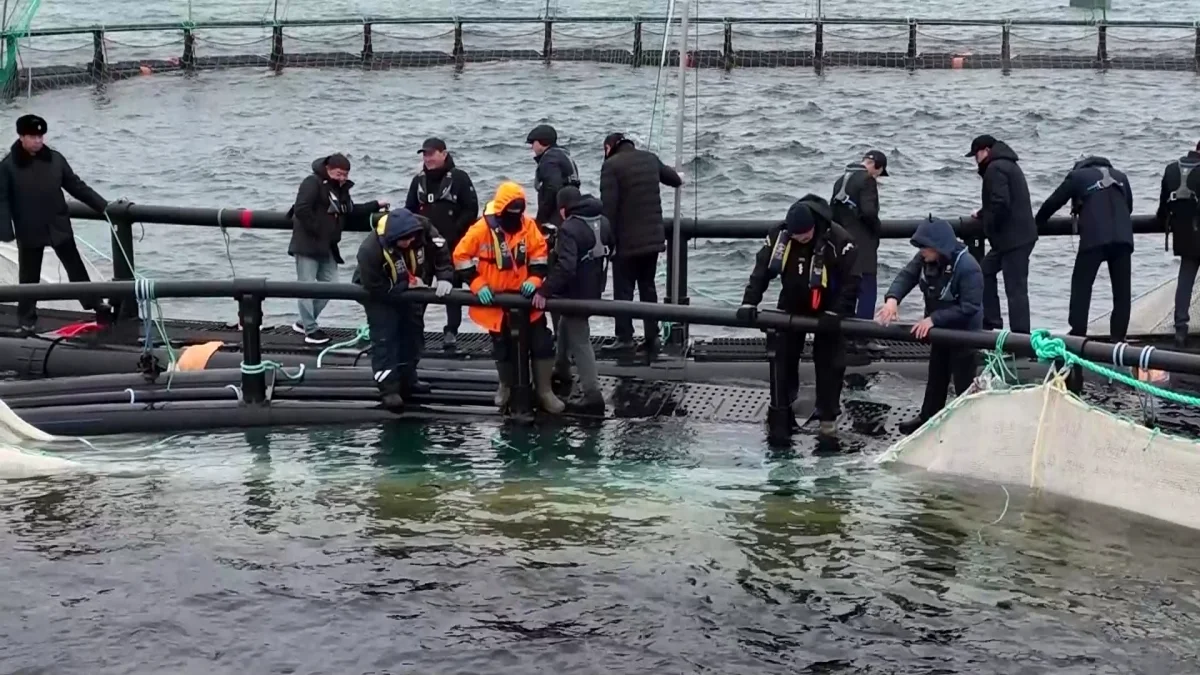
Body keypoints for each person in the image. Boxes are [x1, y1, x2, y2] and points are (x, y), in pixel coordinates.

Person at [736, 195, 859, 439]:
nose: (801, 239)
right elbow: (761, 271)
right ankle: (782, 411)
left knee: (830, 363)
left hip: (828, 307)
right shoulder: (779, 235)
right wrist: (749, 301)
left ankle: (827, 419)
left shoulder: (839, 240)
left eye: (805, 235)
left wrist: (837, 311)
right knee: (782, 356)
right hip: (792, 303)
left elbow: (852, 281)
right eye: (796, 235)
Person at [452, 181, 564, 414]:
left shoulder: (529, 226)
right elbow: (461, 256)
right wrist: (477, 284)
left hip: (527, 300)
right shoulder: (482, 229)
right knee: (502, 347)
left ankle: (544, 391)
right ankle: (505, 386)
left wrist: (534, 280)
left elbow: (540, 255)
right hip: (494, 302)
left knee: (542, 344)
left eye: (518, 213)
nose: (515, 219)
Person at [0, 114, 113, 332]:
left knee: (75, 267)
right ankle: (26, 319)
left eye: (40, 136)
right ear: (21, 137)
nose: (38, 141)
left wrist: (103, 206)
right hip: (29, 227)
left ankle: (94, 303)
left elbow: (77, 186)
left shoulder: (55, 159)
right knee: (29, 277)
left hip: (58, 224)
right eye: (33, 137)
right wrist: (5, 229)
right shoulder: (7, 166)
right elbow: (1, 199)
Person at [876, 217, 984, 435]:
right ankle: (928, 416)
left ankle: (970, 425)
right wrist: (892, 299)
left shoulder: (968, 267)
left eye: (925, 247)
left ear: (939, 246)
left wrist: (934, 319)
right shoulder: (925, 259)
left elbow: (970, 307)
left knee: (963, 380)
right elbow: (907, 276)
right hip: (939, 329)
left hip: (964, 332)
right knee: (936, 374)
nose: (921, 252)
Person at [352, 208, 454, 409]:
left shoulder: (424, 228)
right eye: (403, 241)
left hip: (411, 289)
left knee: (413, 334)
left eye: (410, 239)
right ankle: (388, 388)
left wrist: (445, 276)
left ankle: (408, 379)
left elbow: (441, 251)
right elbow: (375, 287)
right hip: (380, 293)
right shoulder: (369, 251)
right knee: (385, 338)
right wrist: (405, 285)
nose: (408, 243)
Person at [287, 153, 387, 345]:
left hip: (328, 247)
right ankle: (310, 329)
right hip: (307, 244)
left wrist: (375, 205)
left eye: (345, 175)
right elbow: (301, 209)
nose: (342, 178)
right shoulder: (312, 182)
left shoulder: (341, 190)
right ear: (328, 169)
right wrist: (320, 229)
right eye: (339, 174)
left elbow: (350, 210)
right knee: (306, 287)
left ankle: (303, 322)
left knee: (332, 285)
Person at [533, 186, 615, 414]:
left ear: (562, 209)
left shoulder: (569, 228)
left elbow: (566, 267)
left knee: (580, 339)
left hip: (575, 294)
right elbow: (612, 248)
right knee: (565, 323)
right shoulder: (603, 221)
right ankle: (561, 368)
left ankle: (593, 394)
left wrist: (544, 290)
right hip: (594, 289)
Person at [599, 131, 683, 353]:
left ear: (609, 148)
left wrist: (607, 241)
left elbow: (609, 209)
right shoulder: (650, 158)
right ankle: (652, 337)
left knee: (623, 291)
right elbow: (675, 180)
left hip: (626, 242)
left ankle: (624, 337)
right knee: (648, 287)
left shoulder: (611, 166)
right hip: (652, 240)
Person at [1035, 155, 1134, 342]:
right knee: (1122, 292)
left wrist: (1037, 223)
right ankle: (1118, 338)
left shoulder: (1077, 176)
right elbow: (1128, 206)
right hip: (1123, 237)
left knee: (1081, 286)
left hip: (1094, 237)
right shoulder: (1121, 176)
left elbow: (1053, 202)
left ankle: (1078, 334)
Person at [404, 137, 479, 351]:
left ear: (443, 154)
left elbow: (471, 209)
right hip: (423, 246)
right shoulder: (418, 181)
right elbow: (409, 210)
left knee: (452, 290)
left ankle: (451, 331)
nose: (427, 159)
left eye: (431, 154)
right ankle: (414, 330)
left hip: (451, 246)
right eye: (424, 155)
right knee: (419, 287)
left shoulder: (459, 178)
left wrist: (454, 232)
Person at [966, 134, 1037, 335]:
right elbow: (1002, 200)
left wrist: (990, 225)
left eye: (976, 154)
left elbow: (1001, 203)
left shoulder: (995, 168)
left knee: (1016, 290)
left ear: (986, 151)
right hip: (1012, 238)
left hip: (1014, 239)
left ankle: (1020, 338)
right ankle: (992, 323)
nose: (975, 159)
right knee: (984, 272)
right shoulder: (1007, 164)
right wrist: (983, 213)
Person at [830, 149, 888, 352]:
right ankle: (863, 338)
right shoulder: (867, 180)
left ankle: (842, 335)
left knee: (844, 290)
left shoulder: (841, 180)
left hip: (841, 242)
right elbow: (869, 212)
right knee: (867, 290)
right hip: (863, 246)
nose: (878, 177)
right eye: (880, 173)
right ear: (877, 167)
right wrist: (877, 230)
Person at [1156, 141, 1200, 348]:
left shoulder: (1171, 170)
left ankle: (1180, 328)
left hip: (1183, 236)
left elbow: (1162, 209)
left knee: (1185, 281)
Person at [525, 124, 580, 229]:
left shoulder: (549, 160)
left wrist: (541, 219)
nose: (532, 147)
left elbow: (552, 188)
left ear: (542, 142)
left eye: (533, 143)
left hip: (556, 216)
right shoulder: (564, 156)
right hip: (572, 211)